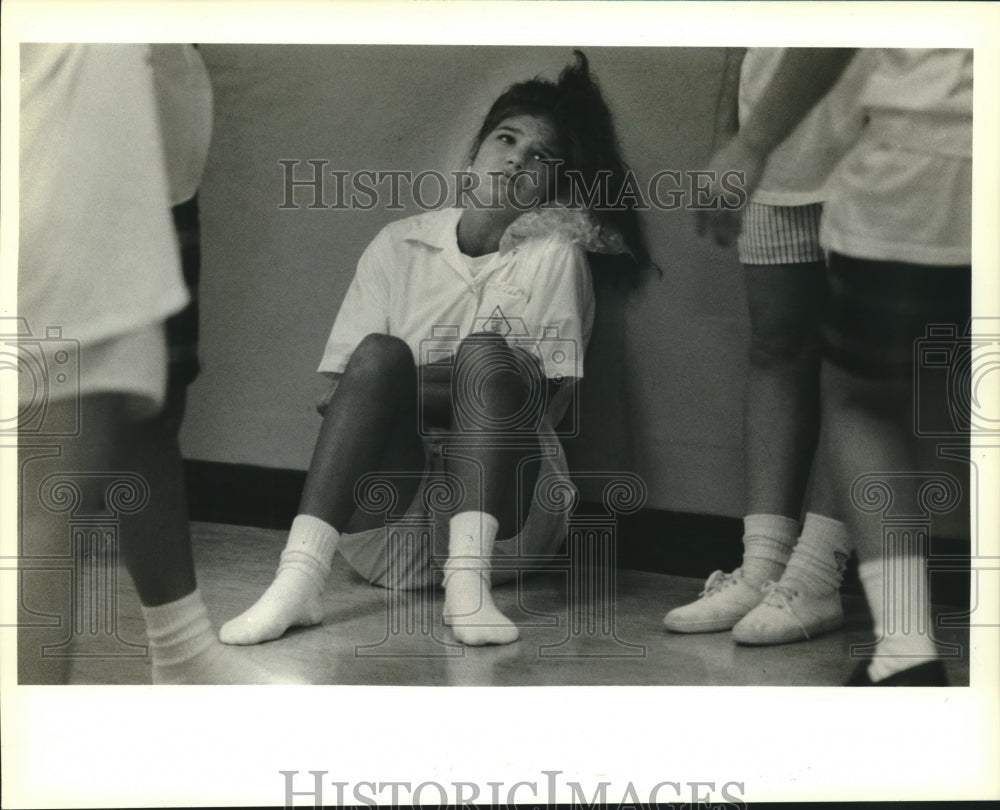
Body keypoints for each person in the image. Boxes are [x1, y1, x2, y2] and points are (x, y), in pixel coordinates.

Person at [220, 50, 651, 648]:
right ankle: (297, 583)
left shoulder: (554, 253)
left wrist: (394, 395)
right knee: (378, 354)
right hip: (384, 533)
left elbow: (532, 401)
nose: (516, 160)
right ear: (475, 151)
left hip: (508, 529)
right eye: (506, 139)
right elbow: (341, 396)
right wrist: (405, 389)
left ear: (553, 183)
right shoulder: (398, 245)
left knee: (485, 356)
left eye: (540, 157)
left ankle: (467, 591)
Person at [17, 43, 299, 684]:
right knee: (45, 467)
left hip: (144, 132)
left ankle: (180, 649)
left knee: (142, 404)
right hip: (67, 112)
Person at [696, 48, 972, 684]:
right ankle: (783, 575)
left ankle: (902, 644)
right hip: (921, 143)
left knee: (865, 398)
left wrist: (751, 143)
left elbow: (835, 27)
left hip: (920, 142)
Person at [664, 49, 866, 645]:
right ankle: (762, 567)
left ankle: (815, 576)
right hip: (776, 147)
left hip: (877, 139)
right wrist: (731, 133)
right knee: (776, 343)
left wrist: (747, 143)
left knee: (857, 357)